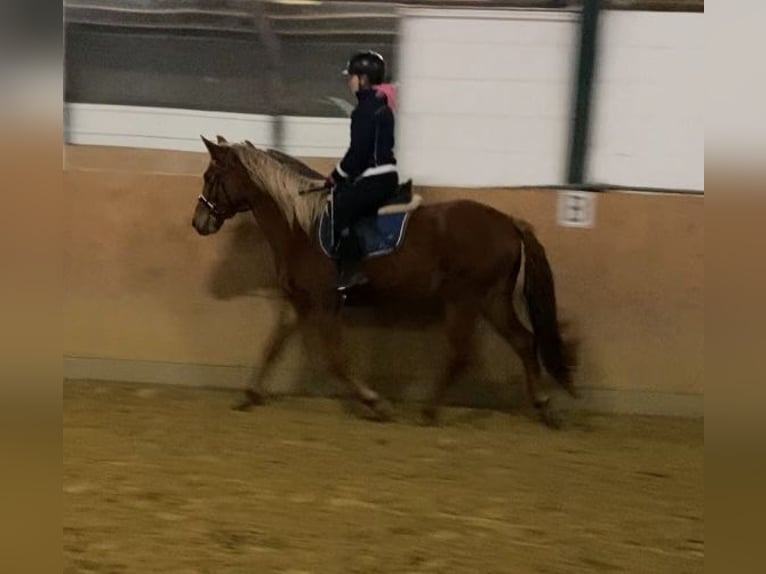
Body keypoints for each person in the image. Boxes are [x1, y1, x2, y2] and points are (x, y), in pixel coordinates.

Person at [327, 50, 399, 292]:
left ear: (364, 79)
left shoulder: (364, 110)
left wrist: (335, 176)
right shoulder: (382, 105)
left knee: (338, 208)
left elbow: (357, 154)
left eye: (352, 77)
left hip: (374, 178)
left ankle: (352, 270)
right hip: (387, 175)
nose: (349, 81)